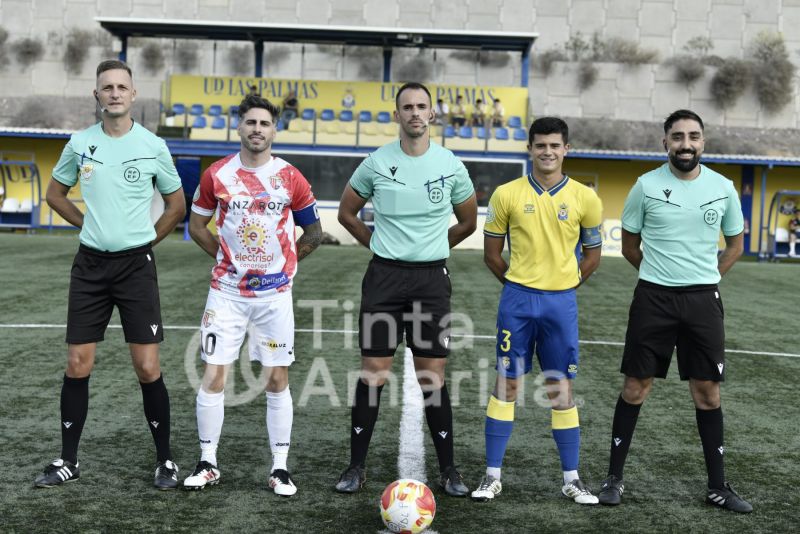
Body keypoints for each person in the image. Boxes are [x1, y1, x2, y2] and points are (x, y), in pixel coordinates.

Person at [36, 59, 186, 489]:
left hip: (135, 267)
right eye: (107, 87)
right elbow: (55, 193)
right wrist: (88, 226)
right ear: (97, 95)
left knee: (147, 367)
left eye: (122, 86)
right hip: (90, 266)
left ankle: (165, 460)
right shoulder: (80, 143)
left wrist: (146, 241)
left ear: (133, 94)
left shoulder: (153, 144)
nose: (115, 93)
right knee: (78, 363)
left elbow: (176, 205)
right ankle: (68, 461)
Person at [597, 109, 751, 513]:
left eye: (693, 136)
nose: (686, 144)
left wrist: (707, 278)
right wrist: (658, 275)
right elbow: (630, 246)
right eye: (678, 136)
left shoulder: (723, 188)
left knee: (708, 393)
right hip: (654, 299)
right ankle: (614, 478)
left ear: (704, 142)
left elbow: (735, 244)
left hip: (703, 302)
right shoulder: (644, 186)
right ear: (664, 142)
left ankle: (717, 486)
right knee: (635, 387)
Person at [335, 82, 478, 496]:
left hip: (431, 281)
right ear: (396, 115)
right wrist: (379, 246)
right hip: (384, 279)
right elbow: (347, 213)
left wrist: (431, 250)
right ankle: (355, 467)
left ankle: (449, 469)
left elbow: (467, 221)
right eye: (407, 107)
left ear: (432, 114)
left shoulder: (450, 165)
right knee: (373, 373)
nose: (415, 113)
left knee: (432, 376)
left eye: (421, 107)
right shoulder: (376, 162)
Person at [183, 94, 322, 494]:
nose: (257, 129)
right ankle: (208, 462)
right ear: (239, 127)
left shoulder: (290, 177)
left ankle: (280, 468)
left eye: (264, 123)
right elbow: (197, 226)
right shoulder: (216, 175)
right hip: (226, 293)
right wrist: (226, 261)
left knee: (277, 379)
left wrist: (286, 266)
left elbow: (312, 232)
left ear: (274, 130)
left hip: (274, 297)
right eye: (251, 123)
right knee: (213, 375)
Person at [470, 117, 602, 505]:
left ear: (566, 149)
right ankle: (492, 475)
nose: (547, 152)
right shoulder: (506, 194)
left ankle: (572, 478)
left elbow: (592, 256)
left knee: (560, 386)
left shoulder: (585, 197)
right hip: (517, 301)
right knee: (507, 384)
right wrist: (519, 287)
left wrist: (564, 286)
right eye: (540, 145)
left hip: (561, 302)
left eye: (555, 145)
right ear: (530, 148)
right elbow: (492, 256)